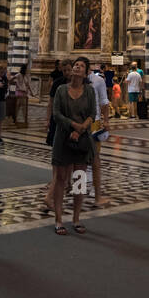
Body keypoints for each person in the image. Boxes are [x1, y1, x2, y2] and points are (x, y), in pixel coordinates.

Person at [51, 58, 96, 235]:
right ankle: (58, 219)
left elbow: (92, 113)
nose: (77, 67)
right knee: (61, 179)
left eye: (81, 66)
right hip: (63, 138)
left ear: (85, 72)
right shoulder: (61, 90)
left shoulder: (90, 91)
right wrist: (73, 125)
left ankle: (76, 218)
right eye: (76, 65)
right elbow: (56, 114)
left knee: (79, 179)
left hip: (82, 139)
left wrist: (81, 129)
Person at [88, 64, 112, 206]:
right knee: (78, 158)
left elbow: (104, 102)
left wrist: (106, 121)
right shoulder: (74, 82)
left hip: (94, 121)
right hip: (78, 122)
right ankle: (80, 186)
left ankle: (93, 189)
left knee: (94, 156)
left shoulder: (98, 81)